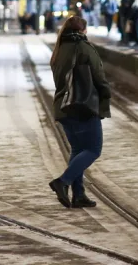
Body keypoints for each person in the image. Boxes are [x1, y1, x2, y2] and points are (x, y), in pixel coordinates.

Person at [48, 16, 111, 209]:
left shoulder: (58, 50)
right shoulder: (83, 48)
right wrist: (105, 95)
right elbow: (98, 76)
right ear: (83, 31)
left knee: (77, 150)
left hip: (63, 107)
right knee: (93, 150)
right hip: (83, 107)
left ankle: (79, 194)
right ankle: (63, 181)